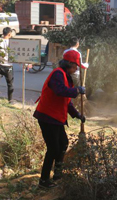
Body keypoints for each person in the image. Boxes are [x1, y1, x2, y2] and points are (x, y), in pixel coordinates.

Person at [34, 50, 86, 188]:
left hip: (56, 117)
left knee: (63, 144)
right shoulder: (58, 74)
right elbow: (60, 91)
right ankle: (44, 181)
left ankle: (57, 174)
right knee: (53, 149)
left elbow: (67, 101)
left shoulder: (66, 77)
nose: (76, 70)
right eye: (76, 67)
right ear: (69, 64)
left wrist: (77, 115)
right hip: (47, 116)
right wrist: (77, 91)